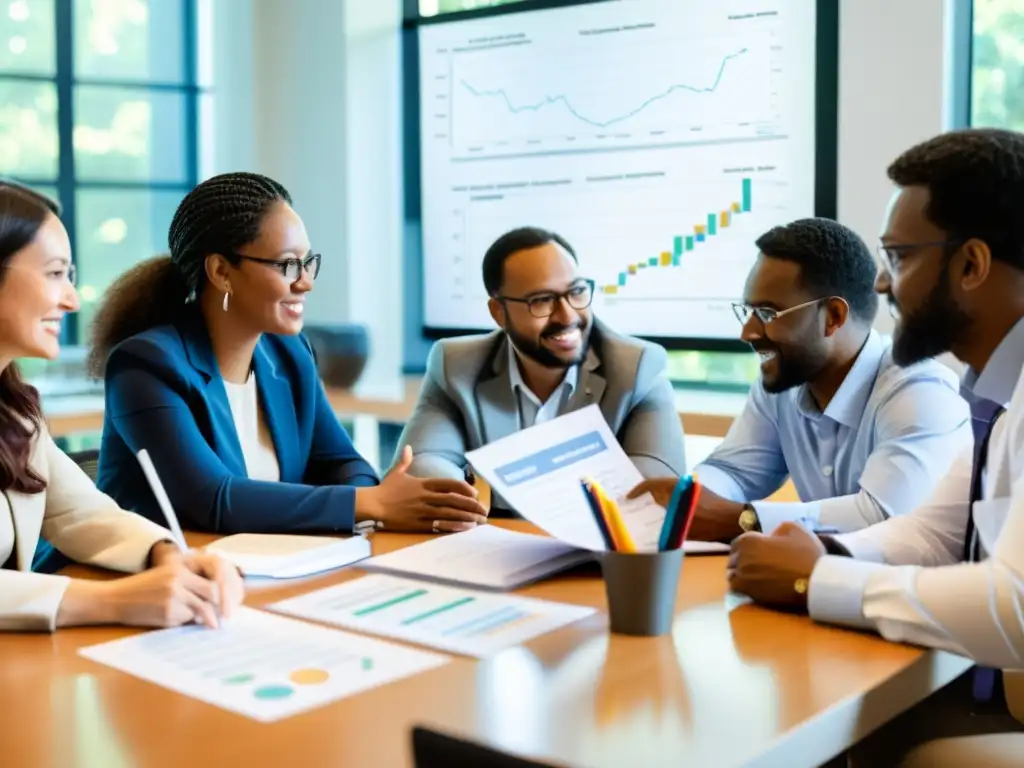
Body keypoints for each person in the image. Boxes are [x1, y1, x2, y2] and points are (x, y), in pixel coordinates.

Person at [726, 128, 1024, 765]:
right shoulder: (996, 394)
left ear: (970, 265)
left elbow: (1017, 607)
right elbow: (935, 533)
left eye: (899, 257)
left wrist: (820, 580)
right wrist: (823, 555)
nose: (883, 287)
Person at [90, 172, 487, 535]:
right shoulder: (145, 365)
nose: (306, 282)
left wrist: (371, 498)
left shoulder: (288, 353)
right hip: (147, 583)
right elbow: (211, 499)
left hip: (264, 569)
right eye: (288, 265)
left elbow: (345, 465)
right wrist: (369, 503)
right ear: (221, 272)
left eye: (308, 262)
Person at [630, 218, 970, 541]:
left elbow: (885, 516)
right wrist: (686, 501)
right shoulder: (785, 381)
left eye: (766, 314)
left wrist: (743, 519)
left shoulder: (920, 388)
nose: (747, 332)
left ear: (834, 317)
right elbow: (733, 471)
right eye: (747, 311)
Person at [0, 181, 243, 632]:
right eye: (55, 274)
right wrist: (113, 601)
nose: (71, 299)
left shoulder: (15, 411)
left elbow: (78, 511)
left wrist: (166, 553)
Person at [395, 226, 687, 512]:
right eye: (542, 300)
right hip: (495, 548)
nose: (567, 315)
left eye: (576, 292)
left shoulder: (637, 368)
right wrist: (461, 499)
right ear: (499, 312)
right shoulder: (456, 365)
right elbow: (420, 463)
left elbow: (658, 485)